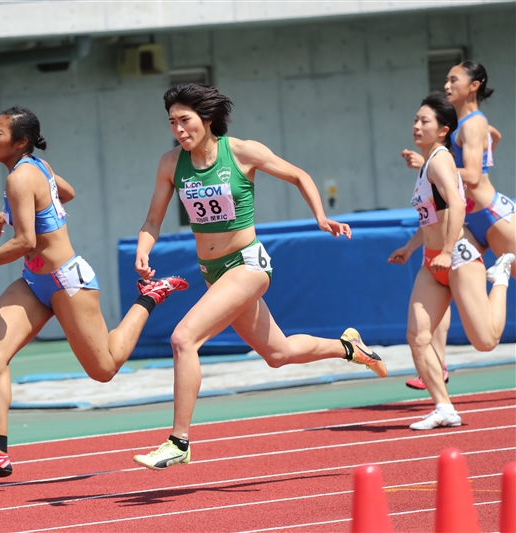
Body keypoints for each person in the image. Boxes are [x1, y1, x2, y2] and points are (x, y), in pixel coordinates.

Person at [131, 84, 387, 471]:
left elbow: (299, 175)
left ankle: (178, 441)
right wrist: (143, 248)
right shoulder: (171, 163)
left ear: (207, 119)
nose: (179, 130)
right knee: (278, 354)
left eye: (185, 121)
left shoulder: (241, 151)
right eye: (172, 123)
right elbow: (153, 220)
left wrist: (321, 217)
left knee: (184, 339)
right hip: (212, 272)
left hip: (247, 265)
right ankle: (350, 348)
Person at [0, 107, 188, 481]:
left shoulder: (21, 177)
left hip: (66, 281)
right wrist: (12, 214)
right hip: (34, 281)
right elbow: (66, 193)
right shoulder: (35, 168)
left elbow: (27, 240)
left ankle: (150, 297)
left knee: (105, 369)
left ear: (21, 142)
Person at [388, 92, 513, 431]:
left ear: (443, 130)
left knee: (485, 342)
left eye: (424, 121)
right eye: (415, 119)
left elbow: (458, 206)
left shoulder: (441, 159)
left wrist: (444, 251)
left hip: (456, 257)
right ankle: (444, 407)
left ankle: (500, 276)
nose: (416, 125)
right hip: (433, 262)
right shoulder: (428, 164)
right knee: (418, 335)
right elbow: (431, 217)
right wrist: (412, 248)